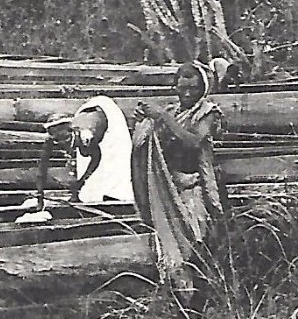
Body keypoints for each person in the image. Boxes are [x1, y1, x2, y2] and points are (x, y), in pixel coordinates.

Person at [131, 62, 229, 304]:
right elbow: (154, 144)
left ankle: (203, 301)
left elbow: (195, 142)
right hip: (170, 188)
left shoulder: (208, 112)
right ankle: (182, 302)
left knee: (196, 242)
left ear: (203, 89)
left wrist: (162, 117)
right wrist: (144, 124)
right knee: (170, 245)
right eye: (181, 88)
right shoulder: (173, 111)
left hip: (196, 187)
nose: (186, 94)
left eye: (193, 89)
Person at [28, 96, 134, 220]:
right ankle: (84, 196)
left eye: (65, 138)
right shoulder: (52, 139)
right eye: (57, 139)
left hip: (107, 116)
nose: (61, 142)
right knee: (87, 187)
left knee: (116, 170)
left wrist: (82, 181)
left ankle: (119, 204)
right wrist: (39, 197)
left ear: (71, 131)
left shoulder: (87, 136)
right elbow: (42, 169)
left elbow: (97, 157)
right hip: (87, 111)